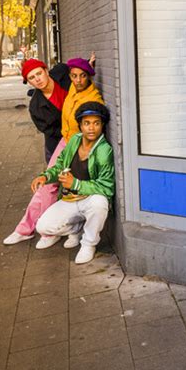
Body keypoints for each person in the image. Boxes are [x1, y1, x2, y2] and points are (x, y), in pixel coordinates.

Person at [3, 56, 104, 246]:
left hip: (81, 137)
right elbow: (49, 131)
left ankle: (67, 229)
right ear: (29, 82)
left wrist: (87, 66)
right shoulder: (36, 106)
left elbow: (78, 72)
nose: (37, 79)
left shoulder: (62, 75)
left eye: (39, 73)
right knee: (49, 187)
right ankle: (30, 229)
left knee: (77, 186)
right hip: (60, 142)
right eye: (32, 78)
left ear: (46, 70)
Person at [31, 102, 114, 264]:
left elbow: (106, 186)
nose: (91, 128)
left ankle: (88, 244)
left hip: (90, 199)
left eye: (96, 123)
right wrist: (45, 177)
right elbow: (61, 164)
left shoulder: (104, 150)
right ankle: (77, 228)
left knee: (100, 203)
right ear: (80, 125)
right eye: (87, 123)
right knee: (42, 227)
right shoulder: (75, 140)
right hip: (70, 199)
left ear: (102, 125)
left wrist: (75, 183)